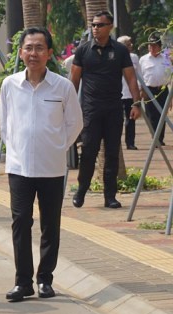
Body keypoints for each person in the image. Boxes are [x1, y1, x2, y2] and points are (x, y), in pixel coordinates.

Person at [0, 27, 83, 302]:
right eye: (28, 47)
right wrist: (16, 150)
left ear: (49, 53)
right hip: (19, 168)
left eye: (39, 48)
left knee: (50, 224)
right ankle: (23, 282)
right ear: (21, 51)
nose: (33, 53)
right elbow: (5, 125)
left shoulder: (63, 86)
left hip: (52, 168)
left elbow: (75, 124)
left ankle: (45, 279)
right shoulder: (10, 85)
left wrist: (57, 147)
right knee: (20, 221)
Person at [71, 11, 141, 209]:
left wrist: (136, 103)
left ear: (110, 26)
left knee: (111, 154)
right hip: (91, 110)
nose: (95, 28)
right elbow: (74, 81)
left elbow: (131, 77)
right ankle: (82, 190)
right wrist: (68, 107)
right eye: (93, 25)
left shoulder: (119, 50)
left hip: (113, 109)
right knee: (88, 151)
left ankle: (110, 196)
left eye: (100, 25)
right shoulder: (83, 51)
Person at [140, 33, 170, 146]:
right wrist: (141, 91)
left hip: (163, 90)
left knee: (162, 115)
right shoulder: (143, 59)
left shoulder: (166, 58)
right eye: (150, 46)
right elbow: (140, 75)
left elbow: (170, 74)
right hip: (149, 90)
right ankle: (155, 137)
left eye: (154, 46)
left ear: (160, 46)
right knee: (151, 115)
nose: (152, 48)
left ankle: (159, 138)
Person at [117, 36, 141, 150]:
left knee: (131, 119)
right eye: (128, 44)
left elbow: (138, 75)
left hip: (130, 93)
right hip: (117, 93)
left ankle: (130, 142)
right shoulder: (114, 57)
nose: (131, 46)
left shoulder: (134, 57)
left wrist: (140, 91)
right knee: (117, 120)